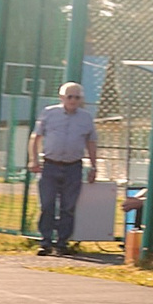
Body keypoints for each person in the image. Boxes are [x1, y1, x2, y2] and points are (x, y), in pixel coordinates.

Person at [26, 80, 98, 255]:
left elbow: (91, 142)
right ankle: (45, 241)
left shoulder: (86, 117)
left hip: (74, 166)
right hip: (50, 165)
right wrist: (33, 160)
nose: (73, 100)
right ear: (62, 97)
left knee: (68, 206)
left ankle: (62, 242)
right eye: (69, 96)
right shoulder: (49, 113)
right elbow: (35, 138)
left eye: (77, 97)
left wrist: (94, 166)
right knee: (47, 204)